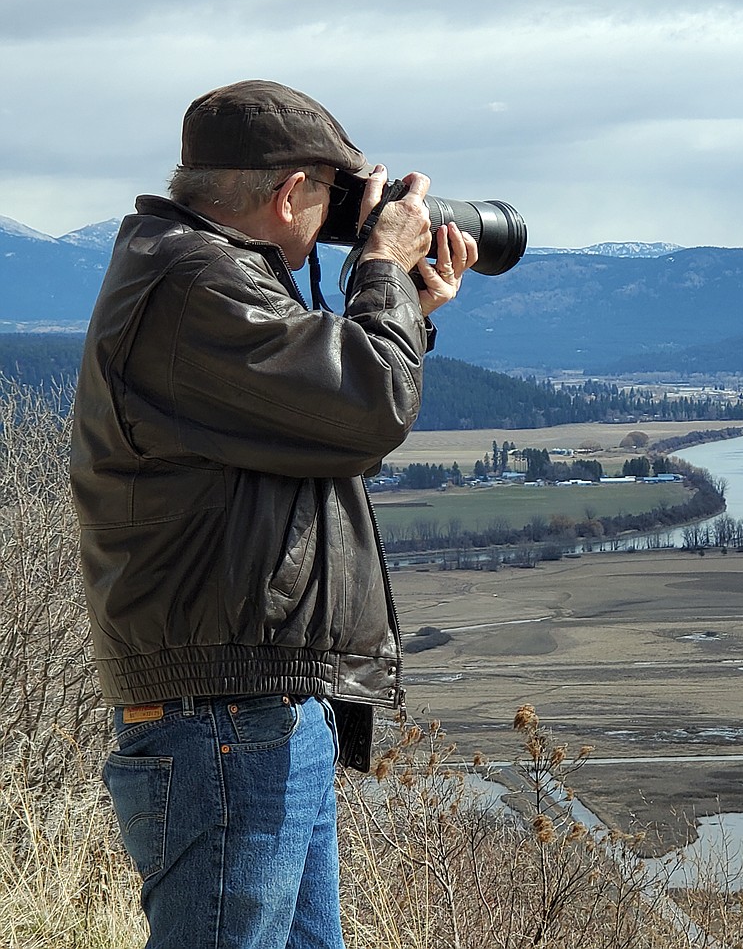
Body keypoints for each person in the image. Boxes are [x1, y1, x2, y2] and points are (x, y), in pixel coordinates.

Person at [69, 79, 477, 949]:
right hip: (225, 717)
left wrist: (404, 304)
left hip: (250, 706)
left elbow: (315, 415)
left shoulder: (196, 271)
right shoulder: (196, 281)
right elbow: (363, 408)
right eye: (332, 195)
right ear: (292, 192)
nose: (340, 217)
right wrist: (378, 269)